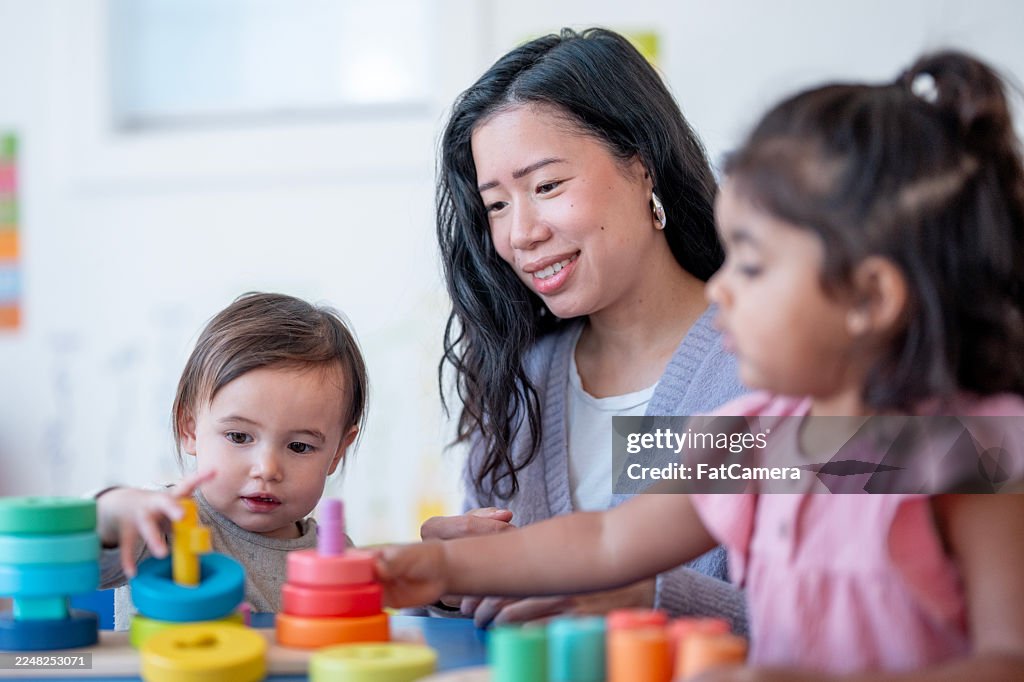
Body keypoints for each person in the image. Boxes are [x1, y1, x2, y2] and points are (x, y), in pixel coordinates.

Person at [378, 50, 1024, 678]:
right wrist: (443, 570)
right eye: (496, 204)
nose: (723, 290)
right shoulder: (751, 438)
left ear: (869, 295)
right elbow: (606, 543)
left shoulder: (963, 451)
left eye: (753, 264)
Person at [422, 27, 746, 628]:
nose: (520, 234)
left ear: (643, 168)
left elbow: (871, 627)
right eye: (496, 204)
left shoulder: (781, 363)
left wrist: (647, 600)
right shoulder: (520, 381)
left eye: (546, 186)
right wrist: (452, 583)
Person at [95, 292, 368, 630]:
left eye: (299, 446)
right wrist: (112, 514)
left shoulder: (336, 554)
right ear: (190, 428)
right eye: (239, 437)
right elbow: (81, 564)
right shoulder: (160, 523)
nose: (267, 469)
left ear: (338, 451)